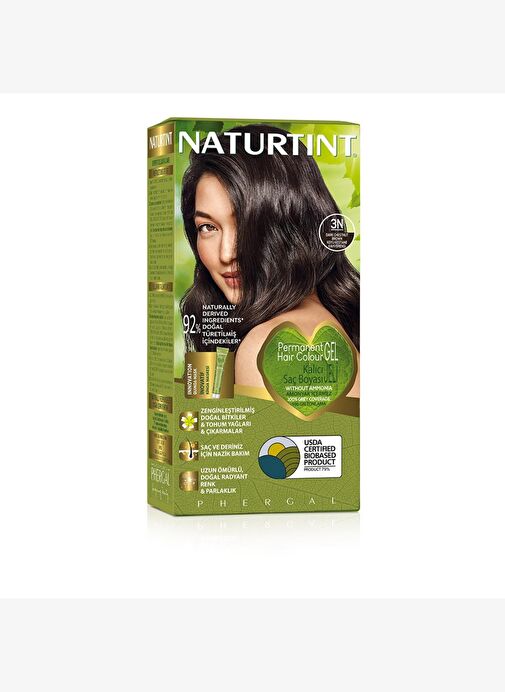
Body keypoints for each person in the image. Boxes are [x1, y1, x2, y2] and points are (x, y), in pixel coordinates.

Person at [180, 124, 360, 397]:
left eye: (246, 225)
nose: (226, 254)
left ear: (292, 224)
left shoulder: (267, 345)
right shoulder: (327, 322)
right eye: (208, 227)